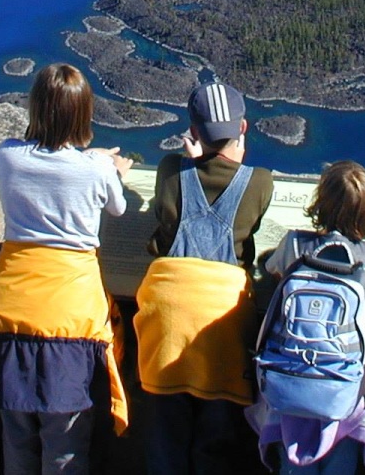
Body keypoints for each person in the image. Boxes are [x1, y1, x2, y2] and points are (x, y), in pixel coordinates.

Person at [0, 63, 132, 475]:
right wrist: (111, 169)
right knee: (65, 439)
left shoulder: (8, 155)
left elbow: (46, 164)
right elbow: (117, 207)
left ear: (36, 108)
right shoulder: (97, 169)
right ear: (84, 113)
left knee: (14, 431)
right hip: (70, 316)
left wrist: (91, 161)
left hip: (8, 307)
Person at [134, 81, 275, 475]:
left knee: (165, 434)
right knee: (216, 438)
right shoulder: (259, 181)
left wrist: (189, 163)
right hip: (221, 326)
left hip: (167, 324)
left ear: (193, 133)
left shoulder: (168, 170)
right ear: (243, 128)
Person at [248, 160, 365, 475]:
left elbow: (272, 271)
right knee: (341, 461)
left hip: (292, 375)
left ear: (320, 202)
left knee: (293, 459)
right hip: (345, 383)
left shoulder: (295, 243)